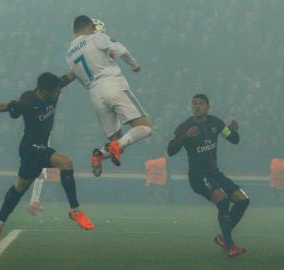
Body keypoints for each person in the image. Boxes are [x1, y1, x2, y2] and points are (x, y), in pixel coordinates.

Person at [0, 72, 94, 246]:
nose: (56, 94)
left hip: (40, 147)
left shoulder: (55, 87)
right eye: (53, 92)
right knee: (66, 163)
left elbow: (71, 74)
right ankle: (75, 211)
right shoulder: (28, 101)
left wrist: (83, 65)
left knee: (20, 187)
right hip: (30, 147)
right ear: (43, 90)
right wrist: (9, 105)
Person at [65, 15, 152, 177]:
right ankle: (113, 148)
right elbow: (122, 50)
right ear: (87, 27)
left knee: (117, 140)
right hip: (112, 84)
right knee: (145, 127)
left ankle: (101, 155)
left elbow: (80, 79)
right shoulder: (97, 37)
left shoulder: (69, 54)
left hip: (94, 94)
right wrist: (135, 66)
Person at [167, 94, 249, 257]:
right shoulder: (185, 127)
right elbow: (171, 150)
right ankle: (229, 245)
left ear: (208, 107)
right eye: (194, 104)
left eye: (200, 104)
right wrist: (186, 136)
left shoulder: (216, 123)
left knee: (243, 200)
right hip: (198, 176)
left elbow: (233, 139)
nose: (197, 107)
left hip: (215, 173)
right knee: (224, 202)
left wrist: (233, 131)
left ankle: (222, 237)